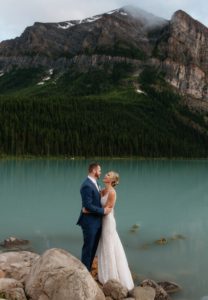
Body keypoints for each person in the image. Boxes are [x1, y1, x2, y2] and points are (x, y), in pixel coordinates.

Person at [96, 171, 134, 290]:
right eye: (106, 174)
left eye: (108, 175)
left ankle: (111, 278)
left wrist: (91, 210)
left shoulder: (112, 192)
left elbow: (107, 209)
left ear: (112, 180)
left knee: (109, 246)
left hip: (108, 222)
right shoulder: (102, 191)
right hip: (101, 221)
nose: (105, 176)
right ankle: (103, 275)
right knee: (103, 245)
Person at [77, 162, 111, 271]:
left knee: (94, 247)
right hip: (89, 222)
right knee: (88, 248)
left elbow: (94, 202)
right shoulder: (86, 185)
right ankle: (84, 272)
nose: (101, 172)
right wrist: (103, 211)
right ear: (94, 171)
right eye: (99, 170)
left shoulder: (96, 183)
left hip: (97, 222)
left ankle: (88, 269)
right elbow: (87, 205)